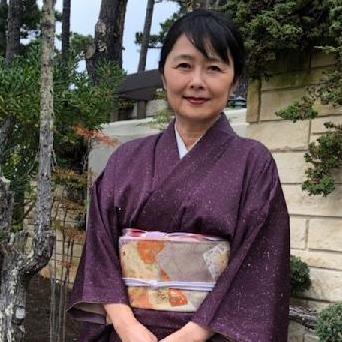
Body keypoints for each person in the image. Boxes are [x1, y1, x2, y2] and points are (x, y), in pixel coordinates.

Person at [68, 9, 290, 342]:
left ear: (235, 78)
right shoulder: (126, 158)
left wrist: (194, 333)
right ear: (164, 74)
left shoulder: (253, 162)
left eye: (214, 68)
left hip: (212, 335)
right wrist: (128, 328)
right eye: (184, 65)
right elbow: (100, 249)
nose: (197, 82)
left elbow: (258, 264)